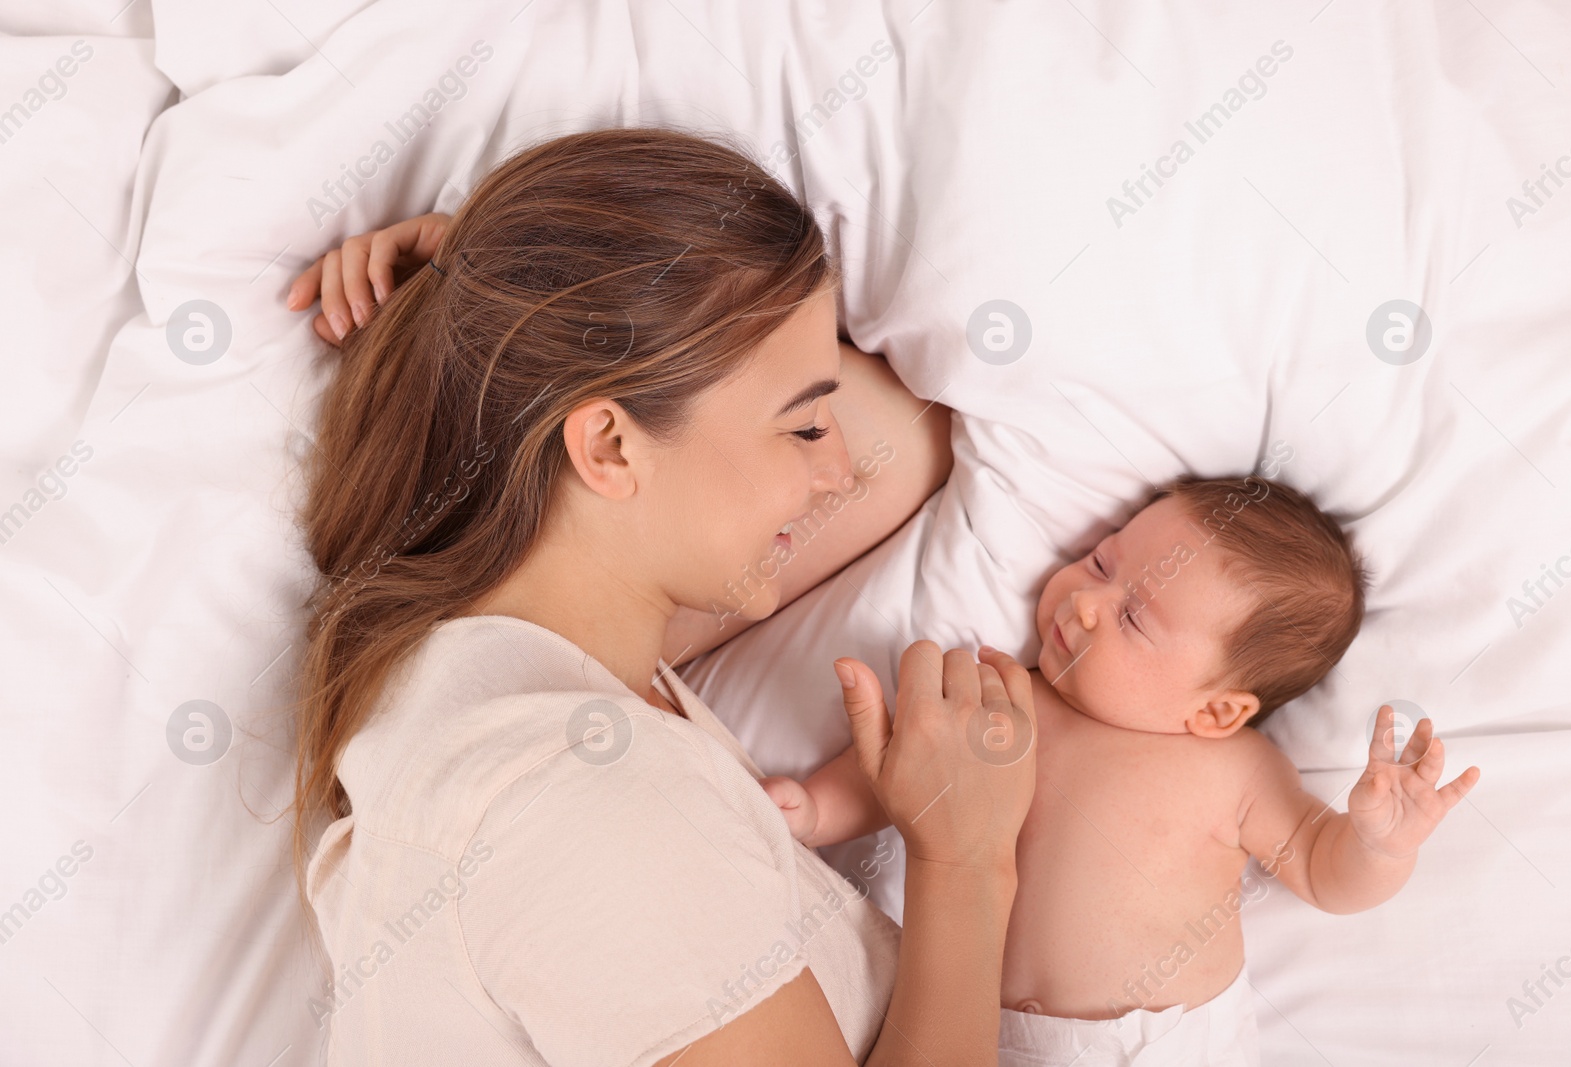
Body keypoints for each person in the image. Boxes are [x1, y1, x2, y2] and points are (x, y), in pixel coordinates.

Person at [286, 127, 1038, 1066]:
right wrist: (965, 865)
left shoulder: (501, 664)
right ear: (606, 448)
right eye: (806, 425)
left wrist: (490, 308)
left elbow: (910, 449)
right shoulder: (583, 800)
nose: (838, 462)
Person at [760, 476, 1482, 1066]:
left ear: (1218, 711)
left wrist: (1381, 844)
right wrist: (814, 805)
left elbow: (1327, 872)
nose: (1087, 602)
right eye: (1103, 562)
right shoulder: (1014, 700)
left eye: (1135, 618)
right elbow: (911, 771)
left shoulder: (1236, 768)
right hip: (978, 1034)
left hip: (1162, 1041)